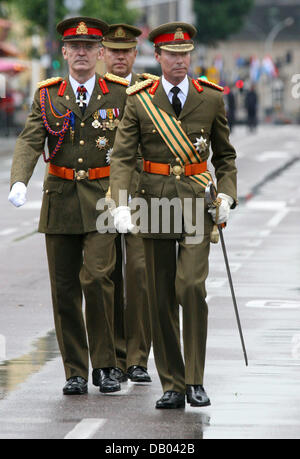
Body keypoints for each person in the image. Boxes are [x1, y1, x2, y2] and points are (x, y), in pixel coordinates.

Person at [109, 22, 237, 409]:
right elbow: (122, 156)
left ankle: (195, 379)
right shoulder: (140, 99)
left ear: (190, 56)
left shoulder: (210, 98)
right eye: (172, 55)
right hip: (155, 204)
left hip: (198, 205)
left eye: (185, 55)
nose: (179, 61)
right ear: (158, 58)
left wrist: (228, 193)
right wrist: (118, 203)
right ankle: (172, 383)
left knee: (190, 288)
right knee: (160, 295)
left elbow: (225, 156)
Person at [8, 17, 132, 396]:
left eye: (88, 46)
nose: (81, 52)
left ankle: (107, 365)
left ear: (99, 53)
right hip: (60, 199)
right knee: (64, 290)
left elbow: (130, 148)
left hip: (103, 201)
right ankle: (75, 371)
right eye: (73, 46)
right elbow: (31, 141)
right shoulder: (47, 95)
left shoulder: (119, 94)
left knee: (97, 279)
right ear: (63, 52)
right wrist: (19, 179)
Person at [101, 24, 152, 384]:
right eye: (113, 51)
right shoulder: (92, 91)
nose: (120, 57)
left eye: (126, 51)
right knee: (107, 276)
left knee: (139, 276)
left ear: (135, 54)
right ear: (103, 53)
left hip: (142, 195)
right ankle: (114, 358)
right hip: (101, 196)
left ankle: (137, 358)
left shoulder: (149, 91)